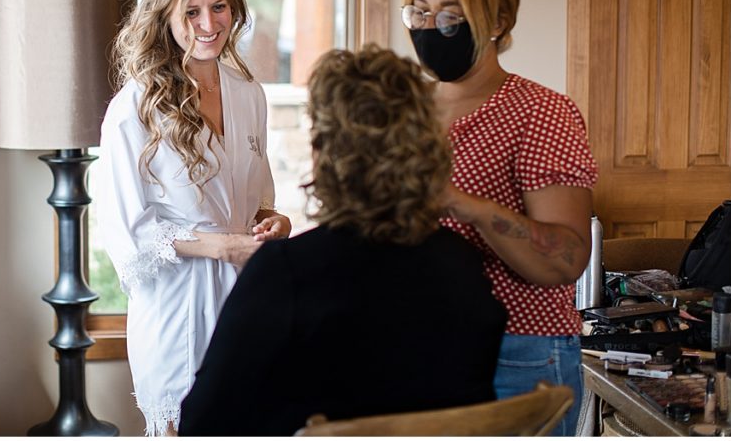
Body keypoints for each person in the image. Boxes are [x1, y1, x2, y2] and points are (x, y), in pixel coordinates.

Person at [178, 45, 507, 436]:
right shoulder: (464, 266)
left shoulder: (286, 274)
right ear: (426, 148)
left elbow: (202, 423)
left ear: (324, 151)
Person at [400, 0, 599, 436]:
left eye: (450, 17)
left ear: (496, 23)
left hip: (516, 351)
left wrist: (465, 207)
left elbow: (566, 259)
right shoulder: (402, 112)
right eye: (420, 13)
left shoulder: (541, 113)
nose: (430, 30)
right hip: (413, 341)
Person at [98, 0, 292, 436]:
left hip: (245, 305)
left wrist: (273, 222)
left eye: (219, 6)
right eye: (192, 12)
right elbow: (128, 239)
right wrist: (219, 246)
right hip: (175, 312)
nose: (209, 25)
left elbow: (256, 197)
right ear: (164, 15)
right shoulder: (133, 110)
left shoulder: (249, 97)